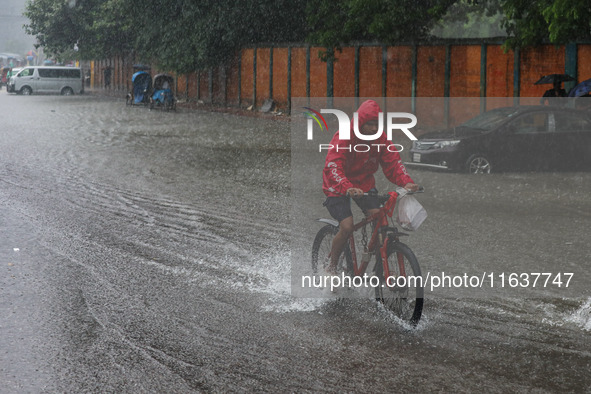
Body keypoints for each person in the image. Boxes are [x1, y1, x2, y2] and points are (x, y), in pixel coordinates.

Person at [322, 99, 420, 275]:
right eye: (370, 125)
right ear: (360, 124)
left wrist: (406, 182)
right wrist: (347, 187)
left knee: (378, 218)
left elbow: (393, 163)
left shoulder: (381, 138)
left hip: (364, 185)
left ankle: (379, 263)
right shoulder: (345, 135)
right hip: (336, 185)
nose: (374, 129)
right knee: (347, 226)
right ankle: (332, 266)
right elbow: (333, 165)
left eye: (377, 124)